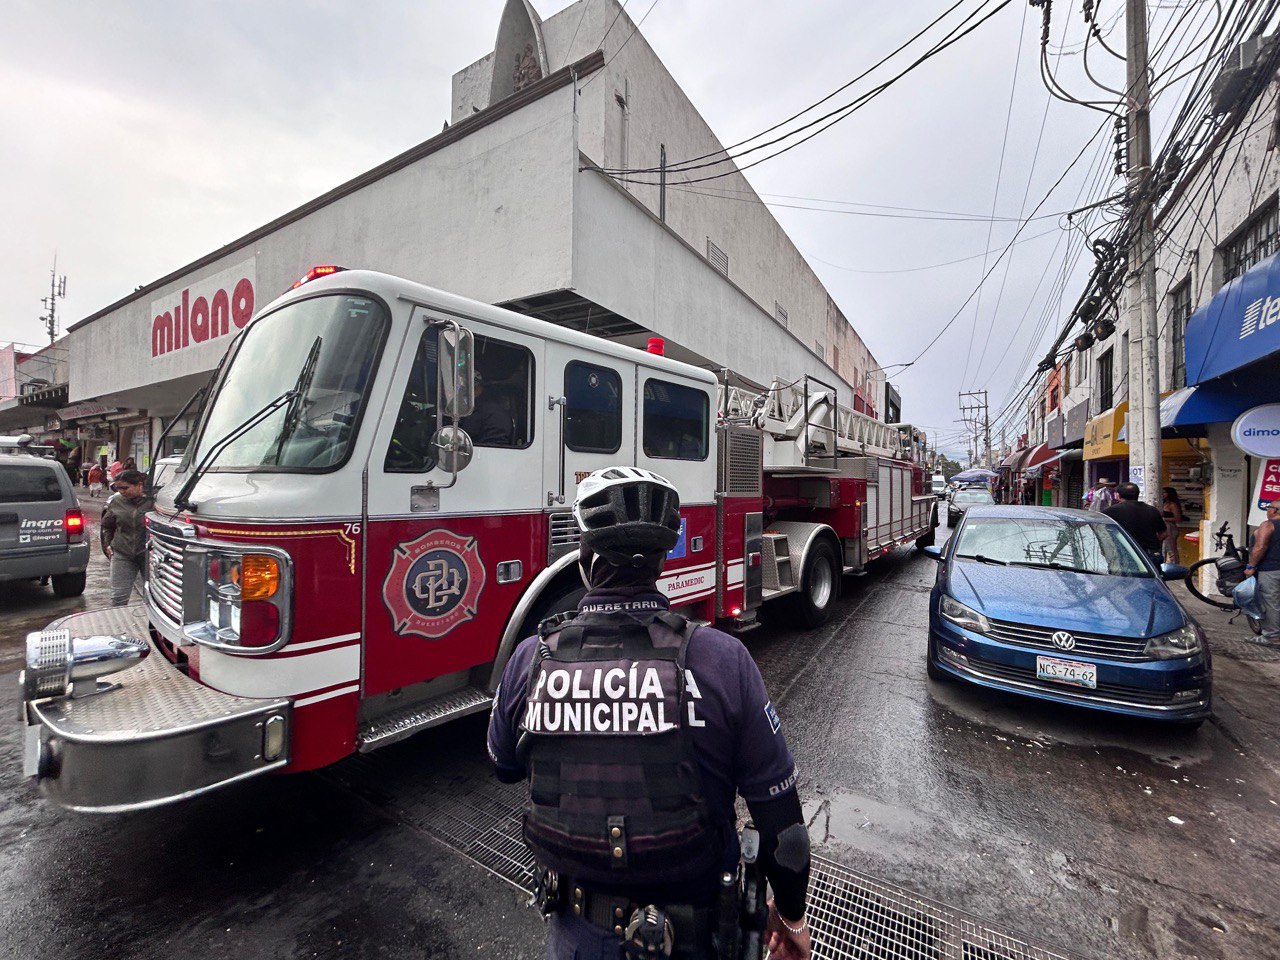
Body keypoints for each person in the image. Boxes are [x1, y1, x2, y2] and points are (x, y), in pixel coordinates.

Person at [488, 467, 813, 960]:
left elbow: (503, 764)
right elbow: (784, 829)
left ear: (584, 560)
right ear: (662, 562)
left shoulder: (530, 659)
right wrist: (790, 917)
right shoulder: (724, 660)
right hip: (697, 936)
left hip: (577, 936)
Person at [101, 469, 154, 606]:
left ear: (139, 485)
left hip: (148, 554)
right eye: (117, 488)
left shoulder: (154, 502)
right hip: (122, 553)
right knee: (118, 597)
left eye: (125, 488)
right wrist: (107, 544)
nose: (121, 492)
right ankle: (117, 625)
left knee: (153, 597)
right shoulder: (117, 501)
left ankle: (150, 625)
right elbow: (107, 525)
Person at [1244, 500, 1280, 645]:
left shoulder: (1268, 524)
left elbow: (1260, 546)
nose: (1267, 510)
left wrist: (1251, 566)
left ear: (1275, 510)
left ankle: (1272, 637)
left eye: (1268, 507)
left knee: (1271, 602)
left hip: (1271, 569)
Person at [1104, 482, 1166, 564]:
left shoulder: (1110, 511)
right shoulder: (1153, 510)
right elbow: (1164, 533)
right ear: (1137, 494)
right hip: (1150, 554)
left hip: (1125, 555)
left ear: (1117, 495)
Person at [459, 373, 515, 446]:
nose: (461, 392)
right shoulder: (476, 408)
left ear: (477, 388)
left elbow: (464, 437)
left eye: (463, 388)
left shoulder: (488, 412)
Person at [1161, 487, 1184, 564]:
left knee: (1171, 549)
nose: (1162, 494)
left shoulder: (1172, 505)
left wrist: (1164, 519)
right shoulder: (1163, 504)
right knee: (1163, 549)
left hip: (1170, 527)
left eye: (1164, 492)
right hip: (1163, 527)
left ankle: (1175, 565)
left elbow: (1178, 518)